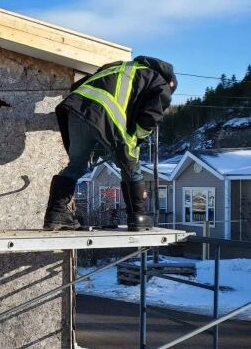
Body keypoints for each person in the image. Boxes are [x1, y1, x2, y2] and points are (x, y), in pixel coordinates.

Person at [44, 56, 177, 232]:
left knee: (76, 164)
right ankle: (137, 216)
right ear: (171, 83)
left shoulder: (116, 67)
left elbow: (77, 87)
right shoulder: (160, 81)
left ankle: (56, 214)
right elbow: (150, 117)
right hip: (107, 113)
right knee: (130, 164)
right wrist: (135, 140)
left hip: (76, 111)